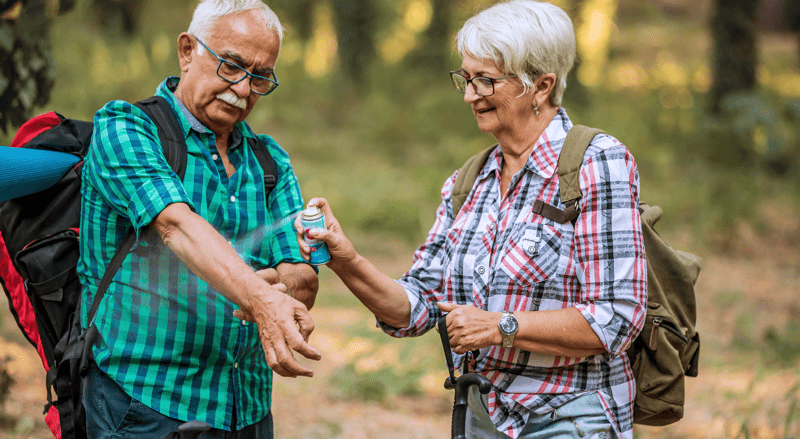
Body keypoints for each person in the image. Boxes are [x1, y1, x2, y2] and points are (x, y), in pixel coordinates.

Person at [297, 1, 647, 438]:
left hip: (572, 419)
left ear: (541, 85)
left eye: (486, 80)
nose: (469, 95)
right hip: (482, 416)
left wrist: (499, 327)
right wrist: (344, 259)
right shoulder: (469, 183)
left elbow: (618, 316)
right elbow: (418, 308)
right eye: (466, 78)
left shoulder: (598, 163)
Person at [77, 0, 321, 437]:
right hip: (144, 403)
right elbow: (176, 225)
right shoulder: (126, 128)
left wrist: (267, 286)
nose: (244, 89)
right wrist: (260, 297)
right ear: (188, 51)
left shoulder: (271, 162)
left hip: (246, 408)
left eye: (260, 77)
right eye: (231, 66)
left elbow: (302, 277)